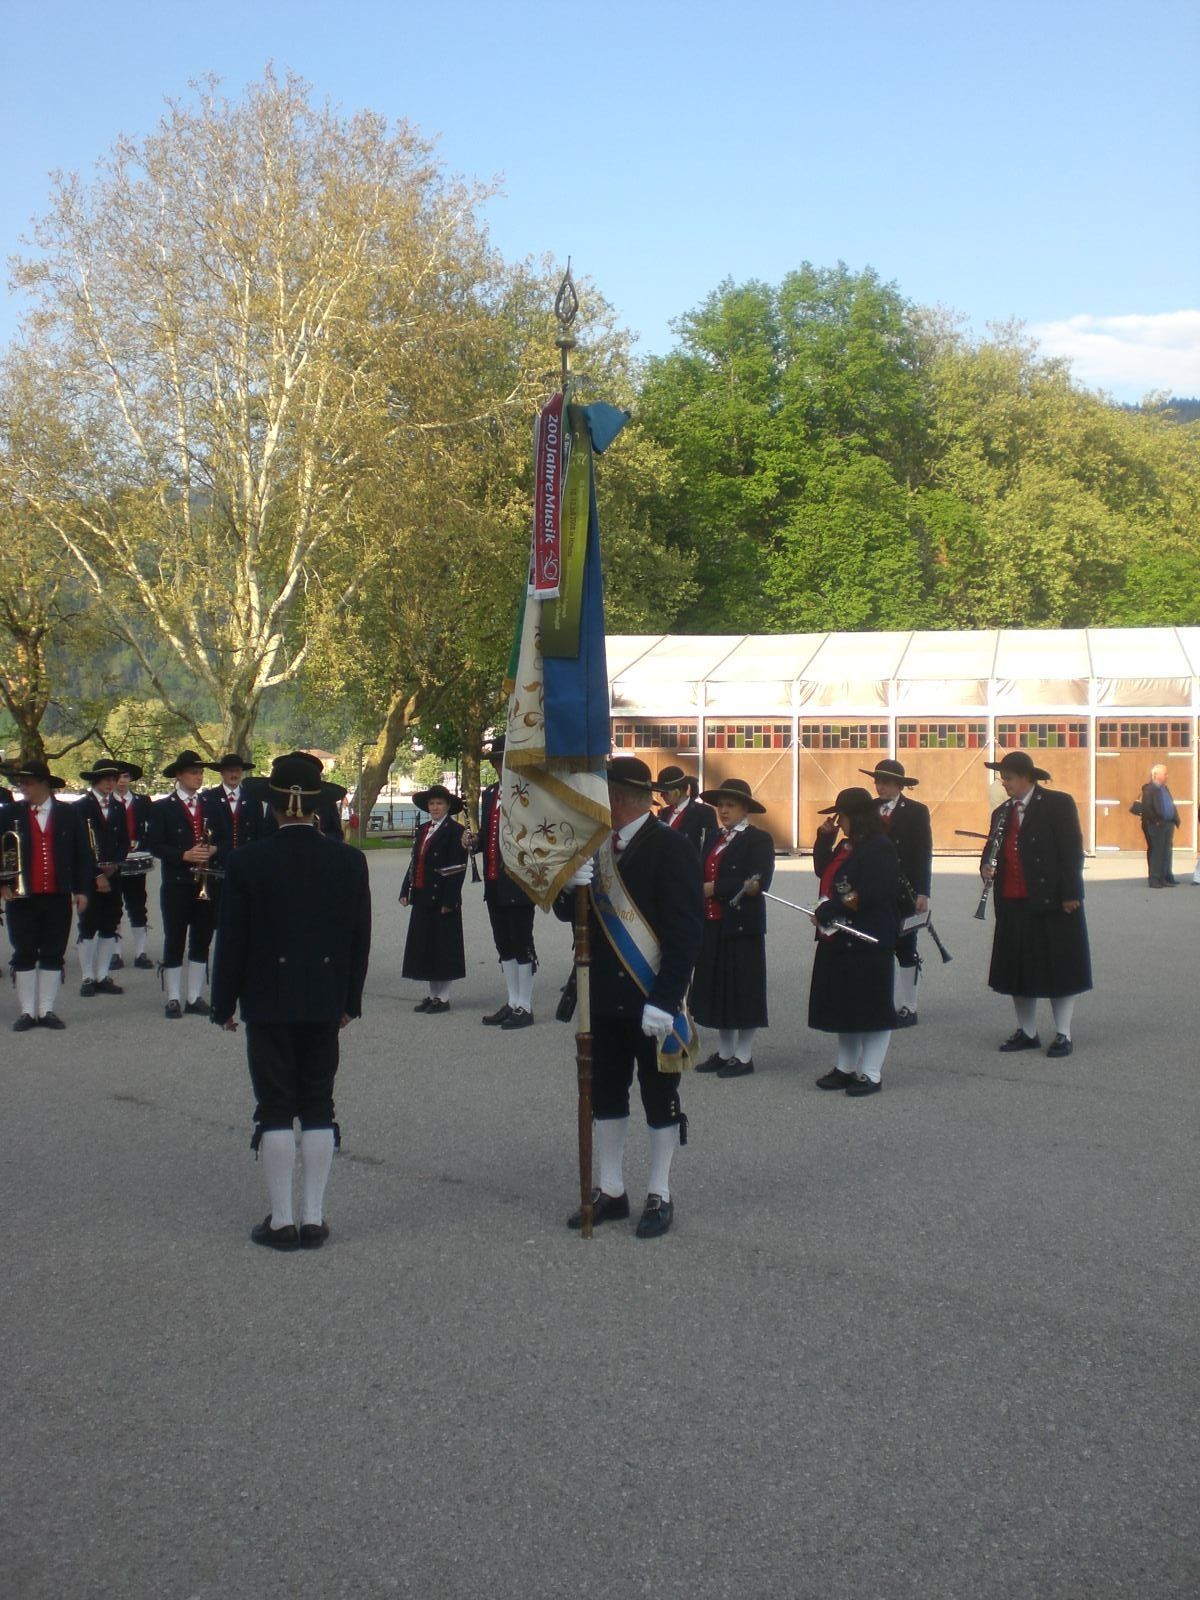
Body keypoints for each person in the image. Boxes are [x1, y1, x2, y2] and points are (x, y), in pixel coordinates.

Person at [211, 752, 371, 1250]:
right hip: (324, 996)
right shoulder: (349, 860)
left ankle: (282, 1222)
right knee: (318, 1103)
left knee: (275, 1106)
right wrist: (350, 1000)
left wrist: (223, 1002)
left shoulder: (246, 861)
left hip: (266, 996)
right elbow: (358, 939)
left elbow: (231, 939)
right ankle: (314, 1218)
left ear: (275, 806)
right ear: (317, 807)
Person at [556, 756, 701, 1238]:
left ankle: (660, 1191)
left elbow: (685, 935)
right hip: (601, 996)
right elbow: (570, 914)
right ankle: (612, 1189)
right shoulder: (596, 845)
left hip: (650, 997)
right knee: (605, 1093)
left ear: (617, 796)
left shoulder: (672, 848)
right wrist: (568, 886)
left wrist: (666, 1000)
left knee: (660, 1097)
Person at [980, 751, 1092, 1059]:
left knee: (1059, 969)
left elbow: (1071, 851)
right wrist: (986, 866)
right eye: (1002, 779)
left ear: (1026, 777)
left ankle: (1063, 1033)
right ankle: (1027, 1032)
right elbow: (992, 847)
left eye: (1009, 778)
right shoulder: (1002, 812)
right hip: (1012, 901)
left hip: (1052, 899)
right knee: (1018, 970)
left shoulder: (1058, 804)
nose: (1005, 784)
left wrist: (1071, 893)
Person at [810, 787, 900, 1097]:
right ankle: (845, 1067)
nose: (839, 823)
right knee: (845, 1006)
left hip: (868, 938)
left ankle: (871, 1073)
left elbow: (868, 894)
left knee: (872, 1008)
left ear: (857, 817)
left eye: (842, 817)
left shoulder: (879, 847)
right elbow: (824, 870)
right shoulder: (848, 844)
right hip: (840, 936)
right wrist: (824, 839)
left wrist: (828, 909)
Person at [690, 777, 775, 1078]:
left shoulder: (758, 839)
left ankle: (744, 1055)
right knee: (718, 989)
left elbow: (758, 882)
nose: (723, 811)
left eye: (730, 805)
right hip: (712, 924)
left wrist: (716, 888)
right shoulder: (714, 837)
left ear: (745, 809)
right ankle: (725, 1052)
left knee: (743, 990)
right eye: (720, 806)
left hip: (742, 926)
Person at [0, 760, 92, 1030]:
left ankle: (46, 1009)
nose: (22, 788)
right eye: (20, 783)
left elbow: (82, 854)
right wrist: (2, 883)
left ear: (43, 783)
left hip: (57, 894)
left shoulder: (68, 813)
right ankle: (28, 1011)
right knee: (24, 951)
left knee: (53, 951)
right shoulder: (9, 813)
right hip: (21, 896)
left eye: (27, 783)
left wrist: (82, 889)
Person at [147, 751, 222, 1019]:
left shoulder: (212, 805)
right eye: (193, 772)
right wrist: (183, 855)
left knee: (202, 939)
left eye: (200, 773)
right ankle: (173, 997)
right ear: (179, 775)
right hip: (177, 882)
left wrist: (213, 849)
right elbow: (154, 844)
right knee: (175, 938)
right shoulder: (162, 807)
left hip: (206, 881)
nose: (198, 777)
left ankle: (194, 996)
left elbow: (224, 838)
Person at [473, 736, 538, 1028]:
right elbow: (487, 834)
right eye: (496, 762)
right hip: (493, 880)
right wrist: (474, 841)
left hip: (518, 879)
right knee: (504, 944)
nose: (500, 766)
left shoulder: (529, 792)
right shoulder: (490, 793)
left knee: (521, 942)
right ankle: (512, 1001)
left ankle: (525, 1005)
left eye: (504, 761)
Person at [861, 758, 932, 1026]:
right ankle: (881, 1002)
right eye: (877, 781)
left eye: (886, 782)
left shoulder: (916, 811)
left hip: (904, 890)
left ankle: (909, 1006)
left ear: (899, 784)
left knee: (906, 947)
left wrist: (923, 892)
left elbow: (923, 853)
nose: (879, 786)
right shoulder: (868, 810)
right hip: (874, 889)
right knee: (877, 945)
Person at [400, 783, 468, 1013]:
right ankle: (432, 994)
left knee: (443, 948)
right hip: (422, 894)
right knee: (426, 946)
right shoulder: (423, 829)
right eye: (431, 803)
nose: (435, 807)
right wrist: (405, 889)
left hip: (442, 897)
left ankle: (443, 997)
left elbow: (457, 869)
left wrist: (450, 900)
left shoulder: (456, 831)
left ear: (447, 806)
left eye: (439, 803)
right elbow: (415, 860)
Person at [75, 758, 131, 996]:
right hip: (89, 875)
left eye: (113, 779)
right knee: (88, 924)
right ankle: (87, 976)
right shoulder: (81, 807)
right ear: (95, 780)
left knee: (110, 922)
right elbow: (79, 846)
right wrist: (97, 872)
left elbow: (124, 841)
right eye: (106, 779)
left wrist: (115, 864)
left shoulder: (118, 807)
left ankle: (102, 974)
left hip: (113, 872)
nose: (111, 783)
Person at [113, 763, 156, 970]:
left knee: (138, 905)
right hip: (114, 861)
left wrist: (142, 843)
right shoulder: (107, 802)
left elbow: (152, 828)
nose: (122, 781)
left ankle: (140, 952)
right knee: (114, 907)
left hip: (137, 859)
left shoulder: (143, 802)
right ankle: (115, 952)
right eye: (118, 777)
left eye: (126, 777)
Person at [204, 754, 264, 856]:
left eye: (237, 770)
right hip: (219, 858)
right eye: (230, 771)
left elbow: (259, 831)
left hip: (247, 855)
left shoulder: (253, 798)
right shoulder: (209, 798)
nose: (234, 774)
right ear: (222, 772)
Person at [654, 766, 718, 858]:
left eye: (665, 792)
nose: (661, 795)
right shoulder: (663, 813)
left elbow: (709, 846)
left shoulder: (704, 812)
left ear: (677, 791)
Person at [1133, 763, 1180, 887]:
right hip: (1156, 825)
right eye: (1165, 774)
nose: (1167, 776)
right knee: (1157, 852)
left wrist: (1174, 818)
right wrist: (1156, 821)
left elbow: (1169, 804)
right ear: (1155, 775)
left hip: (1168, 824)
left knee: (1165, 852)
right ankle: (1154, 879)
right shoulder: (1149, 789)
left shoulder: (1164, 788)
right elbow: (1147, 808)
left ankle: (1163, 878)